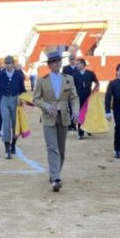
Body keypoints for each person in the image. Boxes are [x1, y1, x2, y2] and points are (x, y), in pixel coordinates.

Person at [33, 49, 80, 192]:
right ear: (49, 64)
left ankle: (55, 173)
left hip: (64, 117)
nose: (57, 63)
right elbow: (35, 99)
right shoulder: (42, 80)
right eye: (54, 61)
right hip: (49, 117)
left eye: (59, 61)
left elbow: (74, 97)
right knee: (52, 147)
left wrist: (76, 111)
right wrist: (46, 106)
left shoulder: (68, 78)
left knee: (61, 150)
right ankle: (56, 178)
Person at [0, 55, 26, 159]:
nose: (7, 65)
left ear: (13, 63)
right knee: (6, 124)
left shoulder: (19, 76)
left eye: (9, 63)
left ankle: (13, 145)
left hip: (16, 101)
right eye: (6, 63)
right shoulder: (0, 76)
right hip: (4, 100)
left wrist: (23, 100)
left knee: (15, 125)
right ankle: (7, 149)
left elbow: (23, 90)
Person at [72, 58, 100, 139]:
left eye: (78, 63)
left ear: (83, 64)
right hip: (79, 97)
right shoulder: (74, 75)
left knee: (89, 113)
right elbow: (72, 87)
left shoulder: (90, 73)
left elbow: (97, 83)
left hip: (89, 96)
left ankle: (89, 129)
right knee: (81, 114)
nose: (76, 65)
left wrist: (94, 91)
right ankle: (80, 133)